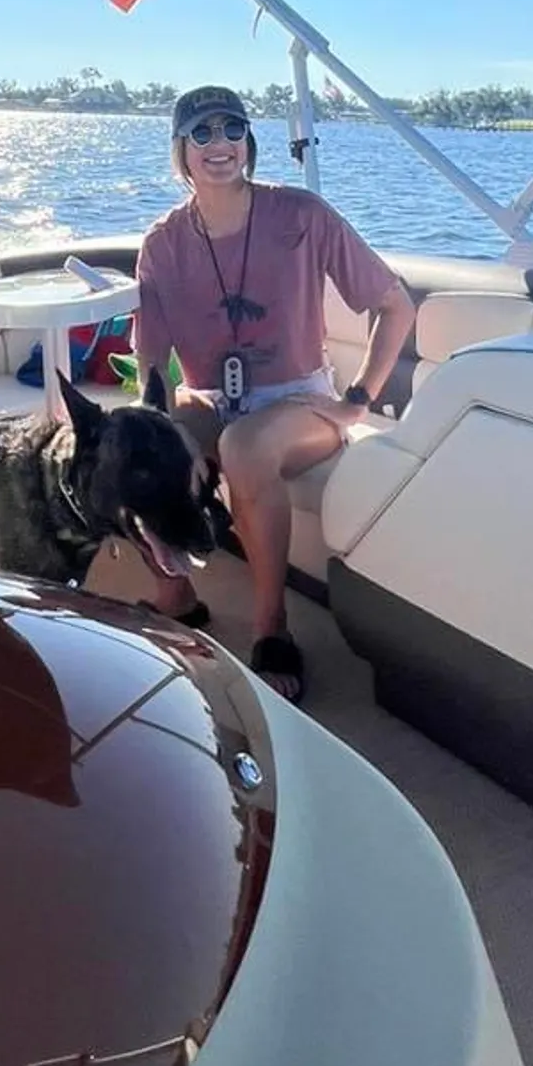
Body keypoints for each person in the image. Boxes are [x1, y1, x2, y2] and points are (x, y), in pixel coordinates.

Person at [135, 84, 413, 704]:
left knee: (246, 446)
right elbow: (150, 357)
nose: (219, 144)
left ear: (249, 143)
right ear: (180, 151)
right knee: (139, 440)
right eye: (201, 132)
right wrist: (154, 420)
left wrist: (358, 400)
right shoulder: (161, 243)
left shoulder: (303, 216)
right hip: (213, 397)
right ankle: (176, 593)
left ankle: (273, 628)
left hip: (300, 403)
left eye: (232, 129)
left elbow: (395, 306)